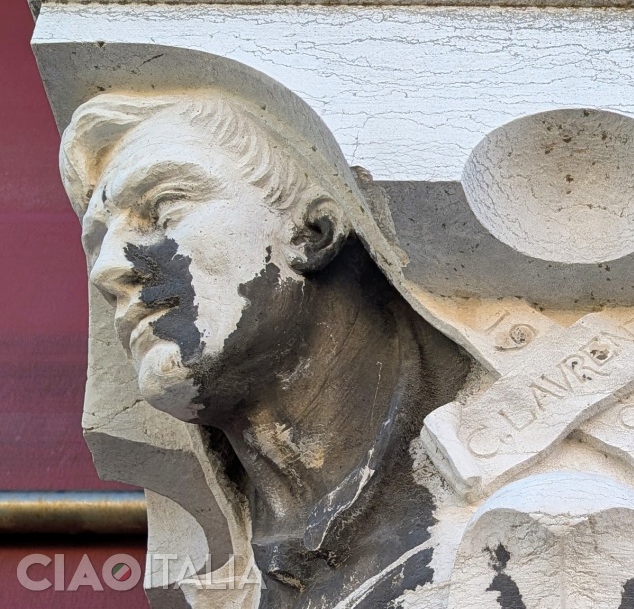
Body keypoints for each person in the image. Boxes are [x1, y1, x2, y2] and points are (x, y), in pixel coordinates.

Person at [60, 91, 471, 608]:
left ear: (313, 231)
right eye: (97, 243)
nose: (107, 271)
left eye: (162, 208)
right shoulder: (227, 587)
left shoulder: (520, 458)